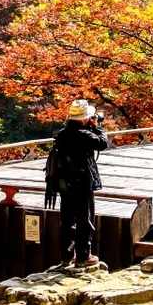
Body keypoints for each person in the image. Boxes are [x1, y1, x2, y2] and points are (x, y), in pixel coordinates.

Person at [45, 99, 109, 266]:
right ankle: (83, 256)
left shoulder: (63, 133)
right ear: (83, 118)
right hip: (82, 183)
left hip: (65, 183)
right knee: (85, 219)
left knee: (67, 220)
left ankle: (66, 256)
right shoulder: (84, 134)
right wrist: (97, 127)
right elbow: (103, 143)